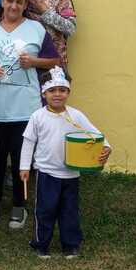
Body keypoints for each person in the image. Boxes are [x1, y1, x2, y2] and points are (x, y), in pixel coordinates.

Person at [0, 0, 60, 229]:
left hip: (26, 108)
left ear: (25, 4)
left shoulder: (35, 29)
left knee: (23, 160)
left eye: (19, 1)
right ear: (3, 1)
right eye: (10, 0)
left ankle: (19, 206)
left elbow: (55, 60)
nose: (14, 5)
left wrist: (33, 61)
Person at [19, 67, 110, 259]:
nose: (57, 94)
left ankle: (71, 245)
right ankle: (40, 244)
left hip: (71, 174)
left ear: (68, 92)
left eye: (62, 90)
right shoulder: (38, 116)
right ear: (44, 93)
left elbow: (95, 135)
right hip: (46, 173)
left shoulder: (76, 115)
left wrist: (106, 148)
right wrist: (24, 167)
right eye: (52, 90)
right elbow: (28, 142)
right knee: (45, 211)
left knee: (69, 212)